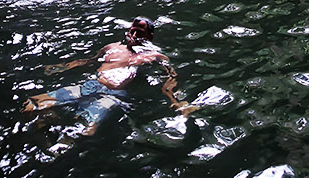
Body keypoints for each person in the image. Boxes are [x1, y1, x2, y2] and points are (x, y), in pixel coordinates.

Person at [25, 18, 190, 129]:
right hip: (90, 85)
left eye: (139, 33)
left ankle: (57, 152)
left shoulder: (154, 56)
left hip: (113, 95)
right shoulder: (112, 48)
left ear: (150, 36)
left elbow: (171, 77)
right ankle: (50, 120)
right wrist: (62, 67)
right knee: (31, 104)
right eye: (132, 31)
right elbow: (90, 61)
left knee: (83, 129)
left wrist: (175, 101)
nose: (133, 36)